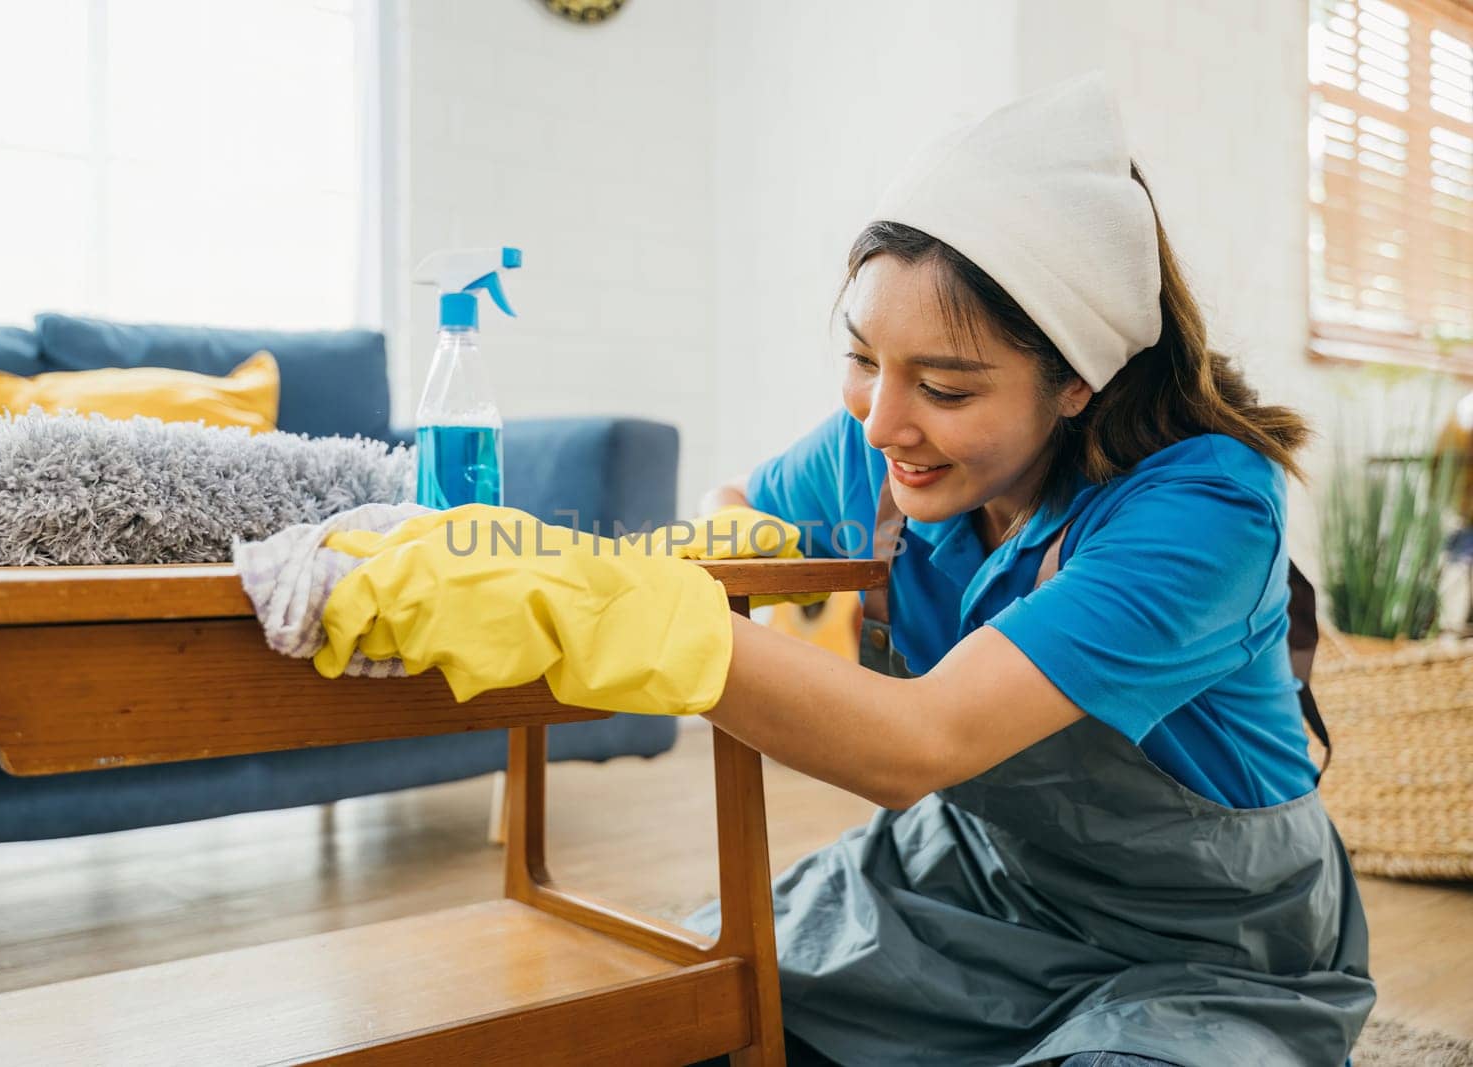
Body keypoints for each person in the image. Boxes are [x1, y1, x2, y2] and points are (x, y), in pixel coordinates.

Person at [317, 73, 1375, 1066]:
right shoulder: (872, 451)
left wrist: (638, 621)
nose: (883, 421)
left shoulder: (1202, 505)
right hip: (960, 882)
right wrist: (727, 541)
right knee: (682, 1014)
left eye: (947, 389)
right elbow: (735, 508)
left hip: (1205, 940)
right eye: (864, 357)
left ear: (1076, 383)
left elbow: (921, 741)